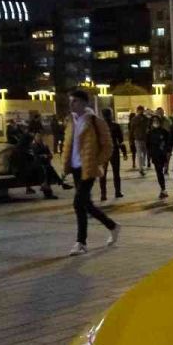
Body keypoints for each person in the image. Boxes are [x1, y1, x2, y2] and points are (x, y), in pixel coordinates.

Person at [62, 89, 120, 256]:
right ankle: (112, 226)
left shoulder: (95, 121)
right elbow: (68, 145)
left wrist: (96, 162)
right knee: (86, 204)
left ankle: (81, 242)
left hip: (88, 168)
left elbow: (108, 146)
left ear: (84, 103)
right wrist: (65, 166)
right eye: (70, 101)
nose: (71, 104)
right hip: (75, 168)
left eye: (75, 101)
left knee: (78, 203)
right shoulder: (70, 121)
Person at [98, 108, 126, 201]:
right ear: (111, 114)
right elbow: (121, 140)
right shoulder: (115, 125)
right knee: (116, 172)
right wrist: (124, 151)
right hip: (114, 151)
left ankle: (103, 194)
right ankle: (117, 192)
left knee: (103, 174)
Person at [146, 114, 171, 199]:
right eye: (154, 121)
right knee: (159, 172)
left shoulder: (164, 132)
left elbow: (169, 144)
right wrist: (149, 156)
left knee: (161, 171)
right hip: (155, 155)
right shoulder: (149, 133)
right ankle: (163, 189)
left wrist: (168, 152)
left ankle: (163, 189)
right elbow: (148, 145)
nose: (155, 122)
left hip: (163, 155)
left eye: (157, 121)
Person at [129, 106, 149, 176]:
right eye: (140, 110)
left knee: (145, 153)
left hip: (145, 139)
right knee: (139, 154)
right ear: (137, 111)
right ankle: (141, 169)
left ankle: (143, 164)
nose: (141, 111)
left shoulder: (146, 119)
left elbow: (148, 128)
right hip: (137, 139)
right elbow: (131, 130)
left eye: (142, 110)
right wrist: (131, 139)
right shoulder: (134, 119)